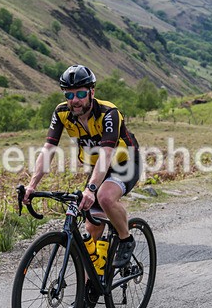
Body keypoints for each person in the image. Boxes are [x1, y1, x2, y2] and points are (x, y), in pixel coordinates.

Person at [24, 65, 141, 269]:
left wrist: (91, 189)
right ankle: (89, 284)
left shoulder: (109, 113)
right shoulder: (61, 113)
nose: (74, 100)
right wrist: (32, 185)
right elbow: (48, 149)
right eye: (69, 95)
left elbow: (106, 155)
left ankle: (125, 239)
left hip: (125, 162)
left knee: (104, 197)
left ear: (91, 92)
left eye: (80, 94)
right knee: (91, 231)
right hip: (98, 168)